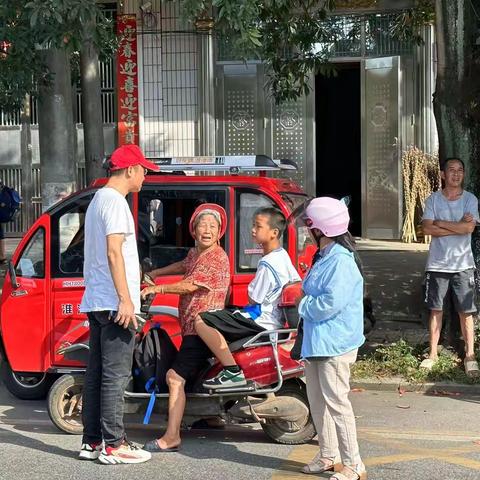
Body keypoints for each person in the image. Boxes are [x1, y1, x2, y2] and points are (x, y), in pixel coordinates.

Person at [79, 144, 159, 465]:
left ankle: (92, 441)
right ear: (129, 170)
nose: (145, 177)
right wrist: (126, 299)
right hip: (115, 304)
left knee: (97, 373)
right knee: (115, 375)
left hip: (98, 301)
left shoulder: (98, 199)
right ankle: (114, 444)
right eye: (143, 170)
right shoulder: (115, 202)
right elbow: (114, 252)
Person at [140, 203, 230, 453]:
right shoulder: (197, 254)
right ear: (193, 229)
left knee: (174, 377)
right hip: (192, 327)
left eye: (213, 226)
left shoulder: (214, 257)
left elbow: (189, 284)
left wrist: (156, 288)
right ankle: (212, 416)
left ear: (220, 232)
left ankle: (171, 436)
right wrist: (156, 272)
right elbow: (183, 265)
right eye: (203, 225)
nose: (207, 230)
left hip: (201, 330)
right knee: (198, 376)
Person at [296, 197, 366, 480]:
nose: (305, 230)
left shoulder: (340, 261)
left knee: (337, 404)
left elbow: (328, 304)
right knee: (318, 402)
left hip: (334, 344)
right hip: (317, 341)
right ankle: (329, 455)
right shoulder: (325, 255)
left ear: (319, 228)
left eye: (308, 225)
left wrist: (301, 305)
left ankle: (354, 464)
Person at [195, 207, 301, 389]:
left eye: (258, 226)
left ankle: (232, 371)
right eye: (253, 225)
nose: (253, 230)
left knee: (201, 320)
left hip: (261, 320)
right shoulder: (282, 256)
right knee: (222, 314)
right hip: (273, 319)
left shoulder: (268, 263)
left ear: (274, 233)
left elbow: (254, 298)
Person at [421, 157, 479, 376]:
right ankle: (433, 354)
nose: (456, 174)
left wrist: (441, 223)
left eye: (460, 170)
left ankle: (470, 356)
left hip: (463, 264)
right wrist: (459, 226)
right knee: (436, 309)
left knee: (466, 311)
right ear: (443, 174)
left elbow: (469, 229)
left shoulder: (470, 199)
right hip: (437, 263)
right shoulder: (433, 200)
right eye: (451, 170)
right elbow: (426, 229)